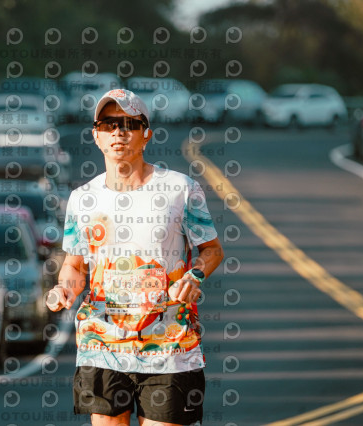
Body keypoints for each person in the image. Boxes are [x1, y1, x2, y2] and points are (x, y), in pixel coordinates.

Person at [46, 88, 224, 426]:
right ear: (96, 136)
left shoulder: (180, 189)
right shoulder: (82, 199)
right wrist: (64, 289)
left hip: (170, 347)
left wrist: (195, 275)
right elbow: (74, 264)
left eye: (129, 124)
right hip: (102, 344)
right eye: (108, 124)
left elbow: (212, 250)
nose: (118, 132)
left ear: (146, 135)